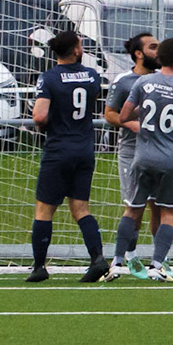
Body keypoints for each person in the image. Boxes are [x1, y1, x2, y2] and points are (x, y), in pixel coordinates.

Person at [27, 30, 109, 283]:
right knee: (81, 208)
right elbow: (92, 97)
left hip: (59, 149)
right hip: (84, 148)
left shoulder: (49, 78)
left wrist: (50, 122)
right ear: (75, 50)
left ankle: (39, 266)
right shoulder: (92, 76)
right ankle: (97, 258)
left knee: (44, 209)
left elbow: (39, 116)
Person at [121, 36, 173, 282]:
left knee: (135, 209)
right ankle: (157, 262)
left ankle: (123, 257)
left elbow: (122, 115)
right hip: (169, 157)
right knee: (167, 212)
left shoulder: (143, 83)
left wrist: (145, 123)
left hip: (142, 155)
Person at [103, 31, 160, 278]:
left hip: (160, 151)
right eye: (153, 47)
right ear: (139, 54)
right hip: (131, 151)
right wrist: (130, 123)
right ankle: (125, 255)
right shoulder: (124, 81)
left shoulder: (164, 80)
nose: (158, 51)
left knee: (159, 206)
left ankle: (161, 260)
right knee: (134, 206)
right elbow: (109, 113)